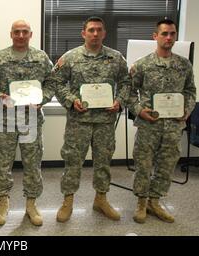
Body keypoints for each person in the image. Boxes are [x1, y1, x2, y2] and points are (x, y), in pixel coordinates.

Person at [42, 16, 130, 222]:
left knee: (103, 163)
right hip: (78, 121)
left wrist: (120, 101)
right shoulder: (70, 57)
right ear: (83, 33)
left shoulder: (116, 58)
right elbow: (56, 81)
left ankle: (101, 199)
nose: (95, 33)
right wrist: (71, 100)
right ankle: (68, 201)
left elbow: (126, 83)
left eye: (99, 30)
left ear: (104, 33)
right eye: (91, 30)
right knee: (72, 162)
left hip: (105, 121)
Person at [0, 20, 53, 226]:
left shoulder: (41, 58)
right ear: (11, 34)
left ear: (30, 34)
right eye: (17, 32)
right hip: (5, 121)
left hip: (31, 120)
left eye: (24, 32)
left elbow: (51, 82)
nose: (21, 35)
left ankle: (31, 204)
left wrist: (43, 99)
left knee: (32, 164)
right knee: (3, 164)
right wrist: (0, 96)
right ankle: (3, 203)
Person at [128, 19, 196, 224]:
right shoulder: (142, 65)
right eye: (164, 33)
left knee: (166, 166)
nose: (169, 38)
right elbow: (129, 93)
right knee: (143, 165)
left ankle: (154, 201)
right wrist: (139, 110)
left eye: (172, 34)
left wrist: (186, 110)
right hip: (149, 125)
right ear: (155, 36)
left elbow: (190, 91)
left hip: (174, 126)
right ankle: (141, 202)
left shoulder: (183, 65)